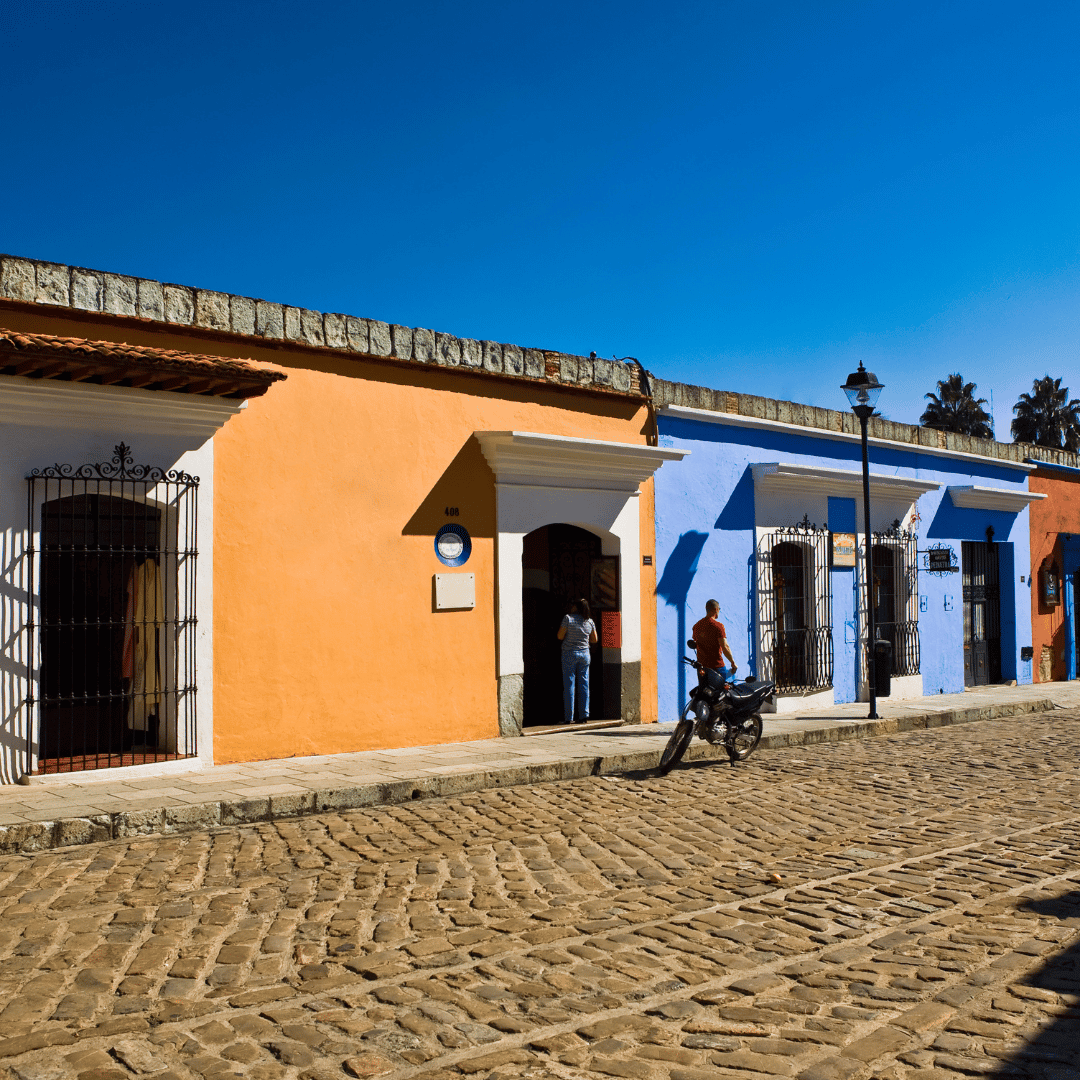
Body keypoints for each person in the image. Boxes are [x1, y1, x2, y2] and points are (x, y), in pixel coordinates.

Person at [557, 598, 597, 723]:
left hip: (569, 653)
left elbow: (560, 636)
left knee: (569, 684)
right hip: (585, 654)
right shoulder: (589, 621)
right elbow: (594, 639)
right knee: (584, 684)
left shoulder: (568, 618)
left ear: (576, 607)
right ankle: (584, 715)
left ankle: (569, 717)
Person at [689, 599, 737, 684]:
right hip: (716, 666)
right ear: (716, 609)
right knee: (722, 691)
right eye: (719, 609)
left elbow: (696, 643)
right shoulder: (718, 626)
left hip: (702, 668)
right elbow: (725, 646)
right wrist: (733, 663)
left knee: (704, 691)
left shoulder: (696, 626)